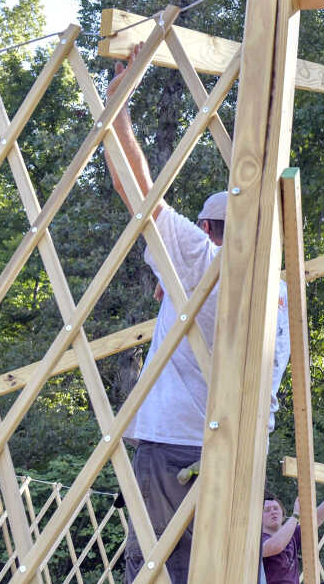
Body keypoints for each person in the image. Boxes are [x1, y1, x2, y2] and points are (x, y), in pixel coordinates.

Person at [106, 45, 290, 583]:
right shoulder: (274, 292)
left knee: (162, 570)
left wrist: (118, 115)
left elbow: (138, 192)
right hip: (241, 449)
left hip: (174, 443)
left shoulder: (199, 260)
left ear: (211, 229)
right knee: (233, 569)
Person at [261, 492, 324, 584]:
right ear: (259, 517)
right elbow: (275, 546)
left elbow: (316, 520)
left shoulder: (292, 534)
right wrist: (295, 515)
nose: (273, 512)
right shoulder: (258, 539)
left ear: (283, 514)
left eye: (276, 508)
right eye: (267, 510)